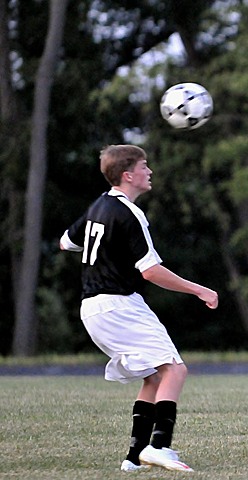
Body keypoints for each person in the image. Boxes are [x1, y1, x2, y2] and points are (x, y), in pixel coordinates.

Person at [59, 144, 219, 472]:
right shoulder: (130, 213)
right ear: (128, 174)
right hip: (118, 304)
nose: (150, 172)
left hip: (92, 308)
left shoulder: (98, 206)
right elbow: (150, 271)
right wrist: (198, 289)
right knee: (175, 369)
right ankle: (160, 446)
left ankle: (134, 457)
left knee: (154, 378)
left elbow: (66, 241)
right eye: (145, 166)